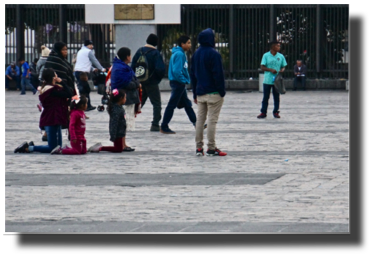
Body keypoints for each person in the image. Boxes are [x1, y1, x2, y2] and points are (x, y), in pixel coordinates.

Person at [14, 68, 74, 154]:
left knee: (58, 147)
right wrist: (61, 81)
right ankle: (28, 148)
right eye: (55, 75)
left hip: (52, 118)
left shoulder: (47, 88)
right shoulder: (53, 90)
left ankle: (30, 146)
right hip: (52, 119)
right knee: (53, 148)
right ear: (53, 77)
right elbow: (69, 93)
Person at [190, 28, 227, 156]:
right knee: (212, 120)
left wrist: (195, 93)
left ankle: (198, 147)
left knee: (200, 120)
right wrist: (222, 91)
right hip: (214, 92)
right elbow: (218, 75)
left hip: (200, 92)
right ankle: (211, 147)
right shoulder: (214, 54)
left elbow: (193, 75)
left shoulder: (196, 54)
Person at [160, 35, 197, 134]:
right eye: (188, 43)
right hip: (178, 83)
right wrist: (184, 80)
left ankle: (196, 123)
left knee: (187, 104)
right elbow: (177, 71)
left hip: (178, 83)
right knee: (172, 105)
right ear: (182, 44)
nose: (190, 45)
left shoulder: (179, 53)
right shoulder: (180, 54)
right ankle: (164, 125)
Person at [131, 33, 166, 132]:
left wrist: (136, 79)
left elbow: (133, 66)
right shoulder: (155, 53)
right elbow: (160, 69)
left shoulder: (139, 51)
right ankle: (155, 124)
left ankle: (127, 118)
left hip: (140, 81)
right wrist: (157, 79)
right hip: (152, 82)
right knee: (156, 103)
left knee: (140, 101)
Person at [111, 47, 140, 151]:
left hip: (127, 98)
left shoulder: (122, 66)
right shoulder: (120, 68)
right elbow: (126, 83)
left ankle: (124, 143)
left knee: (124, 122)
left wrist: (136, 83)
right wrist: (136, 84)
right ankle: (122, 144)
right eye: (130, 55)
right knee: (123, 122)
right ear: (127, 56)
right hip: (123, 98)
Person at [87, 89, 127, 153]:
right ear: (121, 98)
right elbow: (114, 123)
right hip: (118, 132)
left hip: (120, 131)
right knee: (118, 149)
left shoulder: (118, 107)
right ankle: (100, 148)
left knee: (119, 148)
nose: (126, 99)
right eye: (125, 98)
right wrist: (113, 135)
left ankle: (100, 148)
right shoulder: (116, 110)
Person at [257, 40, 287, 119]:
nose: (279, 47)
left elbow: (284, 66)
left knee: (276, 97)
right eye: (277, 46)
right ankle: (263, 112)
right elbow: (262, 67)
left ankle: (276, 111)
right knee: (266, 97)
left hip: (277, 80)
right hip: (268, 79)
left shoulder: (280, 56)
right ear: (272, 47)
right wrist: (270, 70)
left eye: (279, 46)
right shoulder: (266, 55)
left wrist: (282, 69)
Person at [74, 39, 106, 111]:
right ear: (87, 45)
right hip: (82, 73)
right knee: (85, 89)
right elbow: (94, 60)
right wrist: (101, 68)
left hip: (77, 71)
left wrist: (92, 69)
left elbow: (85, 62)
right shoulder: (89, 52)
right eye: (90, 45)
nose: (92, 46)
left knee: (84, 89)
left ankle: (87, 105)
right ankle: (84, 105)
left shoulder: (80, 51)